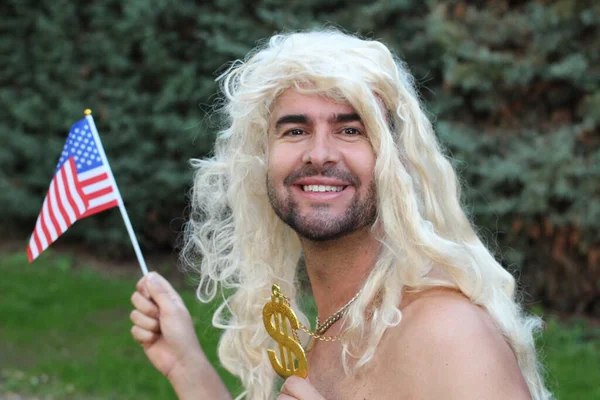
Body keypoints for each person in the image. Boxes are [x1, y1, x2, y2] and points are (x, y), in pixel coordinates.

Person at [130, 29, 551, 399]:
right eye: (295, 130)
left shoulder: (446, 333)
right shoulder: (329, 330)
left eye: (350, 130)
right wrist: (187, 366)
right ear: (262, 160)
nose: (319, 155)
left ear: (394, 160)